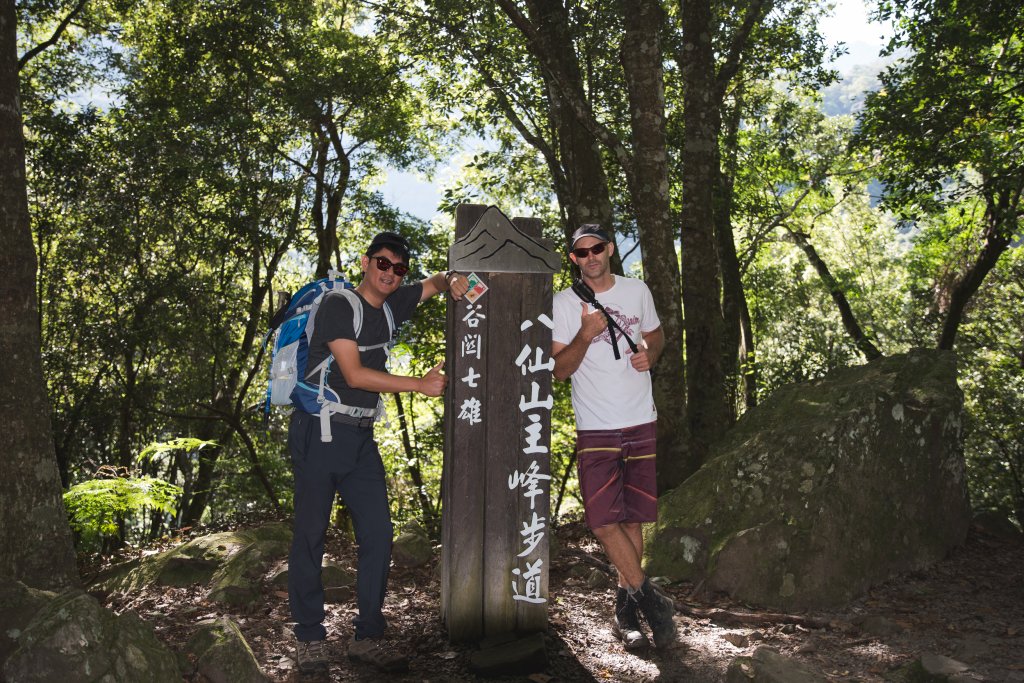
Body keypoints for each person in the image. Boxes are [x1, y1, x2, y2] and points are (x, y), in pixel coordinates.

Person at [288, 231, 469, 674]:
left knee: (379, 536)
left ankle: (366, 636)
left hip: (360, 439)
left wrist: (455, 279)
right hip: (321, 431)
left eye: (399, 268)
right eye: (383, 264)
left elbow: (436, 283)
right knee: (310, 537)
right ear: (367, 263)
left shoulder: (392, 305)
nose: (391, 273)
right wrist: (419, 385)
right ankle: (310, 638)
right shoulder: (339, 306)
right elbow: (353, 373)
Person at [551, 224, 677, 651]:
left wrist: (651, 353)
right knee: (603, 522)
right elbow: (559, 370)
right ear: (574, 259)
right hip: (597, 425)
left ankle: (627, 613)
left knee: (632, 521)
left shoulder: (636, 290)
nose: (591, 257)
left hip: (641, 418)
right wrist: (585, 336)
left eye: (597, 248)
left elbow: (656, 335)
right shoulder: (564, 304)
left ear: (609, 250)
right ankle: (653, 600)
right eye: (581, 252)